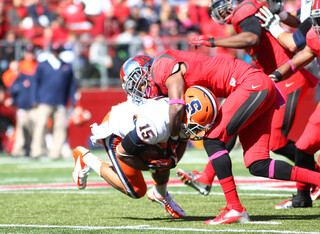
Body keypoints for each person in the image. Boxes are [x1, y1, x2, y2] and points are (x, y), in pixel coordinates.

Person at [126, 49, 320, 225]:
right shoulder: (163, 77)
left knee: (212, 140)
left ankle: (234, 208)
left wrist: (175, 140)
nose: (140, 90)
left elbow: (177, 106)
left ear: (145, 70)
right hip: (254, 86)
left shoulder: (160, 66)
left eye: (138, 83)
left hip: (249, 84)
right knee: (258, 164)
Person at [178, 0, 319, 198]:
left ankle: (316, 177)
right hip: (273, 77)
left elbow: (252, 38)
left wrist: (213, 41)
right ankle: (206, 177)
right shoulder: (246, 10)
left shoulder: (244, 9)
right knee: (233, 124)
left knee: (276, 143)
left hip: (285, 77)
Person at [72, 56, 219, 218]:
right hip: (118, 133)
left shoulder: (176, 105)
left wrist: (172, 160)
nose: (151, 81)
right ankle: (86, 158)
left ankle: (160, 194)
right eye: (146, 77)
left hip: (145, 126)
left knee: (166, 155)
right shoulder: (158, 122)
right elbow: (123, 152)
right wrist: (151, 165)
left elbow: (181, 140)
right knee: (136, 190)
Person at [266, 0, 320, 207]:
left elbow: (292, 43)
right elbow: (303, 56)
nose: (317, 26)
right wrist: (276, 75)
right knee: (304, 146)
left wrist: (274, 25)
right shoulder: (315, 35)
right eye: (317, 21)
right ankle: (302, 197)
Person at [30, 42, 77, 159]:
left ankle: (55, 152)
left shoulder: (66, 66)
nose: (55, 53)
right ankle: (36, 150)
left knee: (60, 127)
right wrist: (34, 99)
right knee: (40, 126)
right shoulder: (42, 65)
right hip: (44, 101)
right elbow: (35, 83)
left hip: (60, 101)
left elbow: (71, 86)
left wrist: (72, 101)